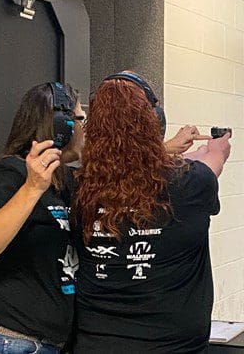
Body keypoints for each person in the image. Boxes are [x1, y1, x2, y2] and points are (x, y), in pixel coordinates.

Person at [72, 72, 231, 354]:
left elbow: (128, 166)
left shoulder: (80, 188)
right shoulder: (190, 184)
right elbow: (211, 163)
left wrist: (172, 151)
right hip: (173, 347)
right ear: (154, 121)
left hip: (95, 343)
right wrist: (217, 147)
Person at [0, 82, 84, 353]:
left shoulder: (63, 181)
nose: (85, 129)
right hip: (8, 340)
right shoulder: (10, 174)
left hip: (46, 343)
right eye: (81, 119)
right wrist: (32, 188)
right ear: (60, 127)